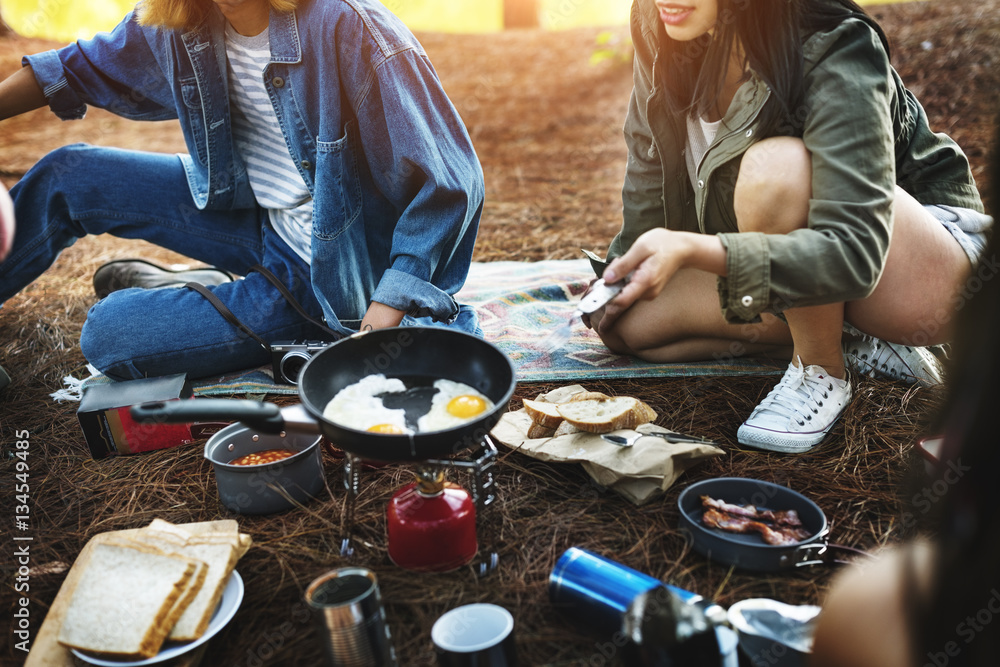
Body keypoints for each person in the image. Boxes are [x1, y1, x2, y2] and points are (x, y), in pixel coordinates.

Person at [584, 0, 992, 453]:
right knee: (628, 324)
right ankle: (857, 342)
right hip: (805, 267)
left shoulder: (835, 42)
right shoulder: (661, 19)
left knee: (775, 170)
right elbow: (649, 165)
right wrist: (620, 272)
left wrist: (695, 251)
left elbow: (856, 255)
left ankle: (820, 368)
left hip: (923, 269)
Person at [0, 0, 484, 381]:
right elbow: (73, 68)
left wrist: (386, 312)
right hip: (250, 209)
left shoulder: (352, 28)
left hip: (330, 273)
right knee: (69, 174)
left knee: (110, 334)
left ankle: (221, 294)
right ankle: (215, 289)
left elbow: (451, 184)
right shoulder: (185, 19)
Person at [810, 115, 1000, 667]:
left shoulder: (833, 47)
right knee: (639, 322)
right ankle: (854, 333)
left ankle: (838, 347)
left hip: (916, 251)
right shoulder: (664, 72)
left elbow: (828, 192)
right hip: (851, 267)